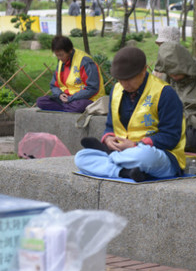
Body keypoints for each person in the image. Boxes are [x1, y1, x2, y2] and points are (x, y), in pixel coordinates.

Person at [75, 47, 186, 182]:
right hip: (123, 152)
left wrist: (135, 145)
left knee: (143, 155)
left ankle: (109, 157)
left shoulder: (164, 93)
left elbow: (171, 137)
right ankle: (124, 172)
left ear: (144, 70)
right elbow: (111, 126)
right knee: (81, 157)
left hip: (158, 155)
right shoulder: (117, 90)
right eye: (120, 79)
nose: (124, 84)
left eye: (129, 79)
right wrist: (109, 139)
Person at [155, 41, 196, 153]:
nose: (173, 76)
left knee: (192, 139)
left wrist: (185, 119)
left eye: (176, 73)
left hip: (195, 130)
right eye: (170, 73)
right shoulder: (166, 78)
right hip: (171, 128)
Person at [36, 36, 106, 113]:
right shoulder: (61, 62)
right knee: (41, 101)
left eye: (61, 55)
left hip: (87, 99)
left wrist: (71, 98)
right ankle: (67, 107)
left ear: (69, 50)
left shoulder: (85, 61)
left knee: (79, 106)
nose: (59, 58)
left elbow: (92, 88)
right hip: (66, 98)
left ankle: (65, 107)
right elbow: (54, 85)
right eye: (57, 55)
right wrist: (60, 94)